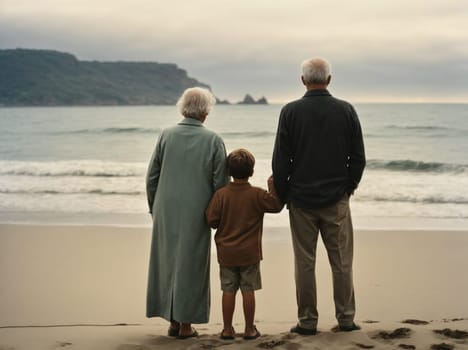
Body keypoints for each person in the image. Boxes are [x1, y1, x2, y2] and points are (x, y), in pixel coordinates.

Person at [272, 57, 366, 335]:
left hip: (301, 199)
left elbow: (281, 160)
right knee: (341, 262)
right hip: (336, 198)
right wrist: (349, 187)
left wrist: (284, 192)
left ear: (303, 80)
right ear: (329, 79)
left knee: (304, 263)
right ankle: (346, 318)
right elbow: (358, 157)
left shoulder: (290, 112)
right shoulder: (346, 110)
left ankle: (308, 321)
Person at [146, 87, 229, 339]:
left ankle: (172, 321)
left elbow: (152, 176)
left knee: (167, 262)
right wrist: (217, 217)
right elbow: (221, 185)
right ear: (205, 112)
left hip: (165, 207)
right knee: (192, 265)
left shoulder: (166, 135)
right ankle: (185, 325)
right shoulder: (214, 140)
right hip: (197, 209)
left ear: (183, 108)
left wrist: (155, 207)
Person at [205, 148, 283, 340]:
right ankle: (249, 329)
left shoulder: (221, 195)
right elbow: (276, 205)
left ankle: (227, 329)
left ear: (229, 172)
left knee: (228, 290)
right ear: (252, 172)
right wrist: (272, 185)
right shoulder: (257, 194)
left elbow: (211, 220)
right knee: (248, 290)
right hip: (250, 253)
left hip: (227, 253)